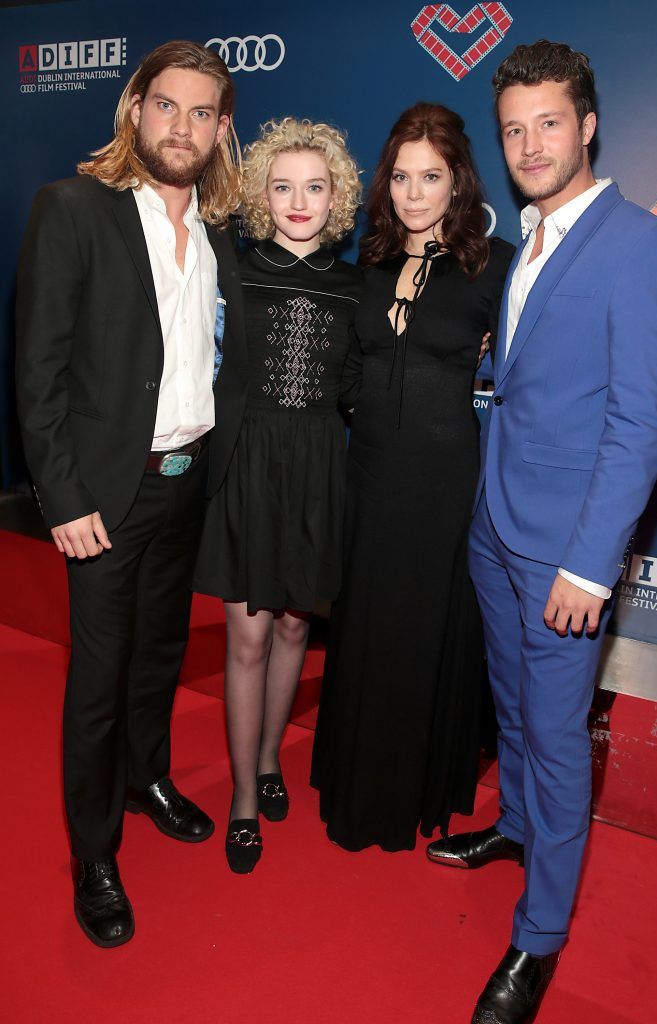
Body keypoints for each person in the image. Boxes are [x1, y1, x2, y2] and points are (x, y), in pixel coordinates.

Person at [426, 41, 657, 1024]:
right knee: (511, 709)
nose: (529, 144)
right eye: (512, 129)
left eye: (548, 123)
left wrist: (589, 563)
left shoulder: (642, 247)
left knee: (552, 730)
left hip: (564, 555)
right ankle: (517, 827)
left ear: (585, 125)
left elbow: (637, 424)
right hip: (496, 533)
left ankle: (536, 940)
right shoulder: (528, 239)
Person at [15, 40, 247, 947]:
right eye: (166, 107)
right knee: (99, 681)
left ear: (222, 130)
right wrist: (64, 498)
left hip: (189, 483)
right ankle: (94, 851)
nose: (181, 127)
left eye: (201, 113)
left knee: (157, 656)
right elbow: (37, 370)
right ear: (135, 110)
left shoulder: (222, 234)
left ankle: (148, 778)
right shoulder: (74, 209)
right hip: (104, 497)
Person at [311, 103, 515, 852]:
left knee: (424, 629)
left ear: (458, 181)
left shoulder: (494, 265)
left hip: (442, 483)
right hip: (367, 473)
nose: (414, 193)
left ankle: (412, 786)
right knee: (365, 625)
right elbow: (342, 369)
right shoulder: (365, 263)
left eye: (430, 176)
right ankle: (355, 777)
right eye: (400, 176)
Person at [193, 118, 363, 873]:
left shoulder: (360, 284)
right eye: (283, 186)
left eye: (315, 187)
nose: (300, 201)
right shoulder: (231, 267)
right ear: (262, 193)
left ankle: (268, 760)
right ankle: (239, 797)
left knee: (296, 631)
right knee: (250, 637)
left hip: (320, 468)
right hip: (249, 464)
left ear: (337, 196)